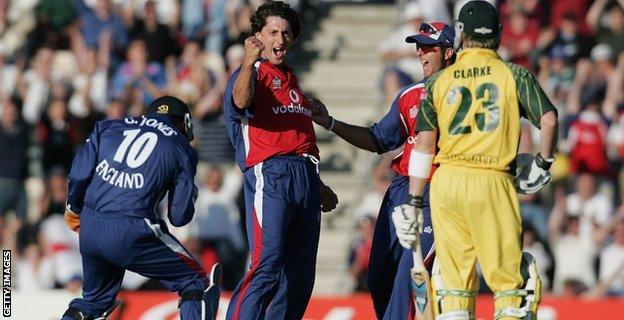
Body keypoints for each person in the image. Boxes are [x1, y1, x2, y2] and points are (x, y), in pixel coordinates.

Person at [393, 1, 558, 319]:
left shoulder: (438, 83)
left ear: (460, 34)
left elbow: (424, 146)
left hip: (447, 185)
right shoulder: (513, 74)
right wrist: (543, 163)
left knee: (452, 292)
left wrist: (414, 202)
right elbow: (549, 120)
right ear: (497, 34)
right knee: (512, 290)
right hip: (493, 180)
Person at [310, 21, 456, 319]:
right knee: (378, 279)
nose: (420, 53)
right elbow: (378, 139)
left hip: (438, 193)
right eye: (418, 46)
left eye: (428, 47)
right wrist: (331, 122)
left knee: (409, 277)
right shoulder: (410, 95)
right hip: (401, 190)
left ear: (449, 52)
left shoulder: (466, 96)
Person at [222, 2, 338, 320]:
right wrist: (247, 63)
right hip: (271, 175)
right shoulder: (252, 73)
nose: (280, 39)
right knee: (267, 265)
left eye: (286, 33)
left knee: (298, 279)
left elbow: (299, 139)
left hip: (304, 177)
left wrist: (318, 184)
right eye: (272, 31)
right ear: (257, 35)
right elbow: (241, 101)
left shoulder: (292, 82)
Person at [61, 96, 213, 320]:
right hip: (132, 227)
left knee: (93, 302)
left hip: (91, 225)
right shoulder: (182, 147)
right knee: (194, 281)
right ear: (184, 122)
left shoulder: (108, 126)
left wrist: (74, 207)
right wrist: (190, 193)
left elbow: (78, 174)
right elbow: (179, 217)